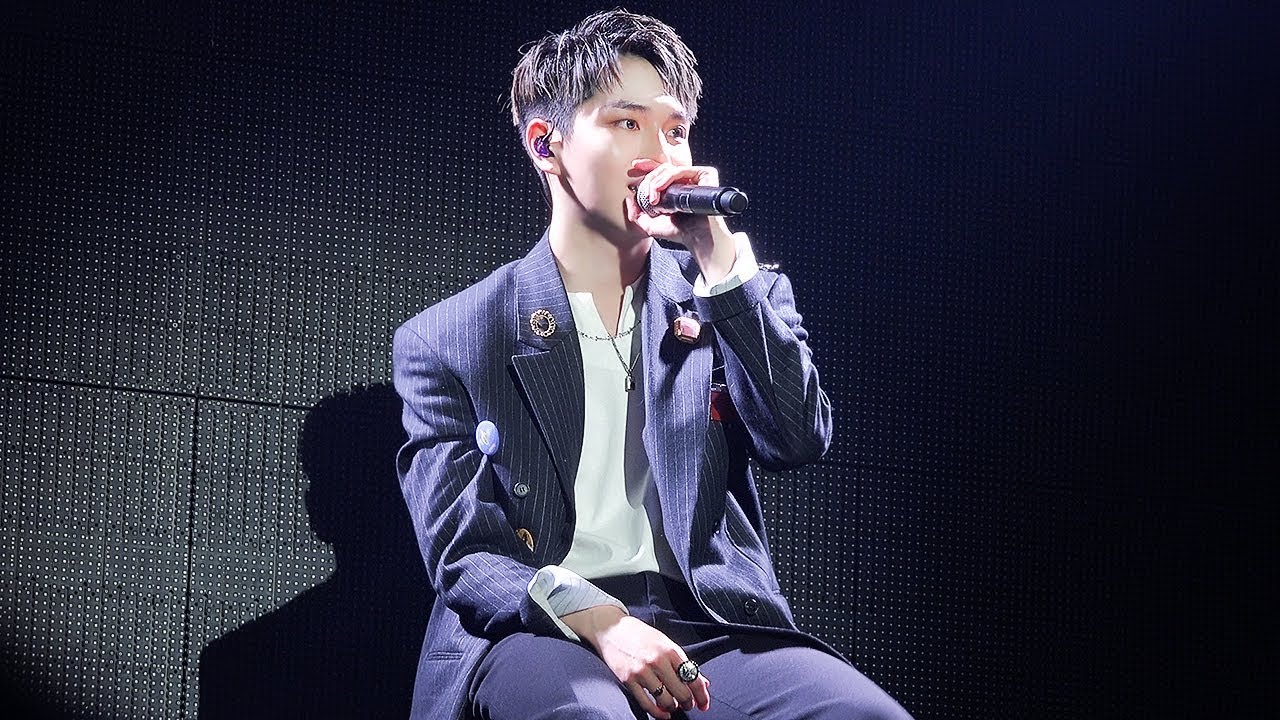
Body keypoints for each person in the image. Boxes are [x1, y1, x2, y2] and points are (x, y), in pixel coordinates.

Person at [393, 9, 913, 720]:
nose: (658, 153)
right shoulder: (452, 337)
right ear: (546, 144)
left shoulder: (736, 293)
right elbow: (464, 553)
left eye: (674, 129)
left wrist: (717, 261)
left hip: (709, 622)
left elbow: (797, 440)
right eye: (626, 123)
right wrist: (602, 621)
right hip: (540, 625)